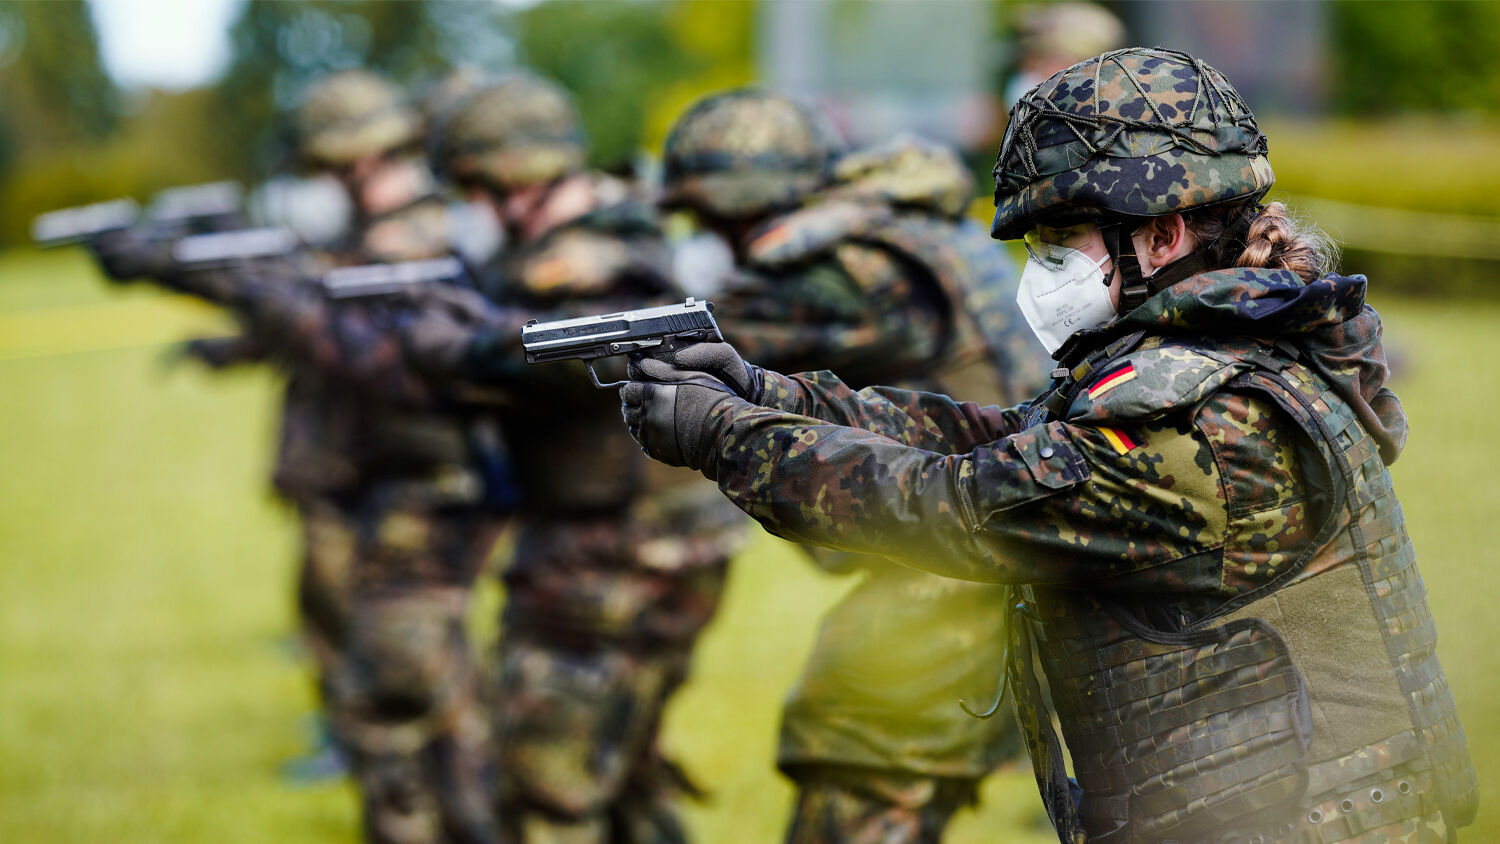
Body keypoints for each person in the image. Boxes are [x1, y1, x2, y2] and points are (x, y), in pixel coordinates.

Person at [621, 48, 1477, 843]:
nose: (1041, 273)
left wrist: (723, 436)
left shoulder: (1209, 424)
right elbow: (1004, 438)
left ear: (1161, 236)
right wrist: (765, 391)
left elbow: (955, 505)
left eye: (1060, 245)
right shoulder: (1223, 351)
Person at [93, 69, 504, 844]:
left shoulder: (420, 238)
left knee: (413, 700)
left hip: (423, 486)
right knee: (402, 693)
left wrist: (202, 271)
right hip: (371, 480)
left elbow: (348, 339)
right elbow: (309, 316)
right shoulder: (369, 237)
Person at [656, 89, 1046, 842]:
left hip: (970, 554)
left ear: (745, 206)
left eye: (710, 221)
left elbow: (704, 335)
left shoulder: (846, 272)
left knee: (853, 751)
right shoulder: (908, 231)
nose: (710, 239)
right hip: (986, 527)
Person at [410, 72, 749, 842]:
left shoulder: (594, 258)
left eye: (471, 186)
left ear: (509, 178)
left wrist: (465, 349)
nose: (467, 207)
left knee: (548, 786)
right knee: (619, 771)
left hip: (610, 553)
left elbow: (571, 352)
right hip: (658, 543)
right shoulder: (611, 236)